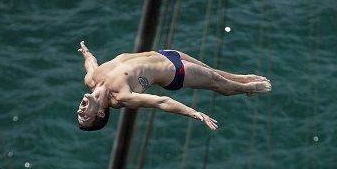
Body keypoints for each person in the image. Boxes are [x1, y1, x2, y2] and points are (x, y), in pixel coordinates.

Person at [76, 42, 272, 131]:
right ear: (100, 113)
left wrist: (86, 53)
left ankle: (243, 79)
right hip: (175, 73)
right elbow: (161, 102)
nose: (80, 110)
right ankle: (249, 89)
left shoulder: (91, 79)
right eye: (85, 116)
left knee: (212, 70)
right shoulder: (120, 97)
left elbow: (91, 63)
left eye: (79, 114)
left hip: (166, 54)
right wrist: (194, 113)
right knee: (217, 82)